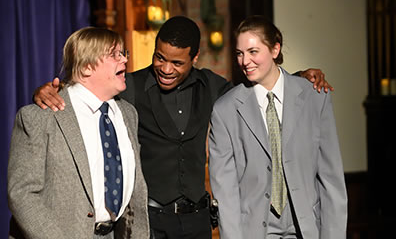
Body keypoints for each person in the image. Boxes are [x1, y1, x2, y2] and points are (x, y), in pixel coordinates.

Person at [33, 16, 333, 239]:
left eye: (177, 63)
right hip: (148, 222)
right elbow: (86, 94)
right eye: (160, 58)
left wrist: (298, 77)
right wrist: (46, 91)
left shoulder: (213, 86)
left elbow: (259, 94)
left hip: (198, 222)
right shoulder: (130, 87)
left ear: (194, 59)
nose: (165, 68)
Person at [208, 15, 347, 239]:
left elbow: (331, 181)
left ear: (275, 49)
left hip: (307, 230)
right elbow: (226, 193)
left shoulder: (315, 98)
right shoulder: (225, 110)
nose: (245, 61)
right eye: (240, 53)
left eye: (253, 52)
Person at [7, 27, 149, 239]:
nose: (124, 60)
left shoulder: (128, 114)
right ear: (86, 67)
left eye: (123, 53)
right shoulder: (39, 118)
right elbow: (22, 194)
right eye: (114, 54)